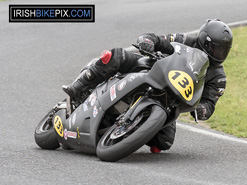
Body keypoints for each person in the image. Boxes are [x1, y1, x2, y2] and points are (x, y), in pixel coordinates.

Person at [62, 19, 233, 153]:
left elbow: (210, 103)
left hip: (170, 99)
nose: (219, 54)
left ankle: (127, 132)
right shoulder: (185, 40)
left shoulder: (219, 77)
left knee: (163, 143)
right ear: (203, 40)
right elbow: (158, 39)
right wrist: (147, 41)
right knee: (116, 56)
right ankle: (78, 86)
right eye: (215, 48)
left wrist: (202, 109)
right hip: (151, 70)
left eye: (223, 50)